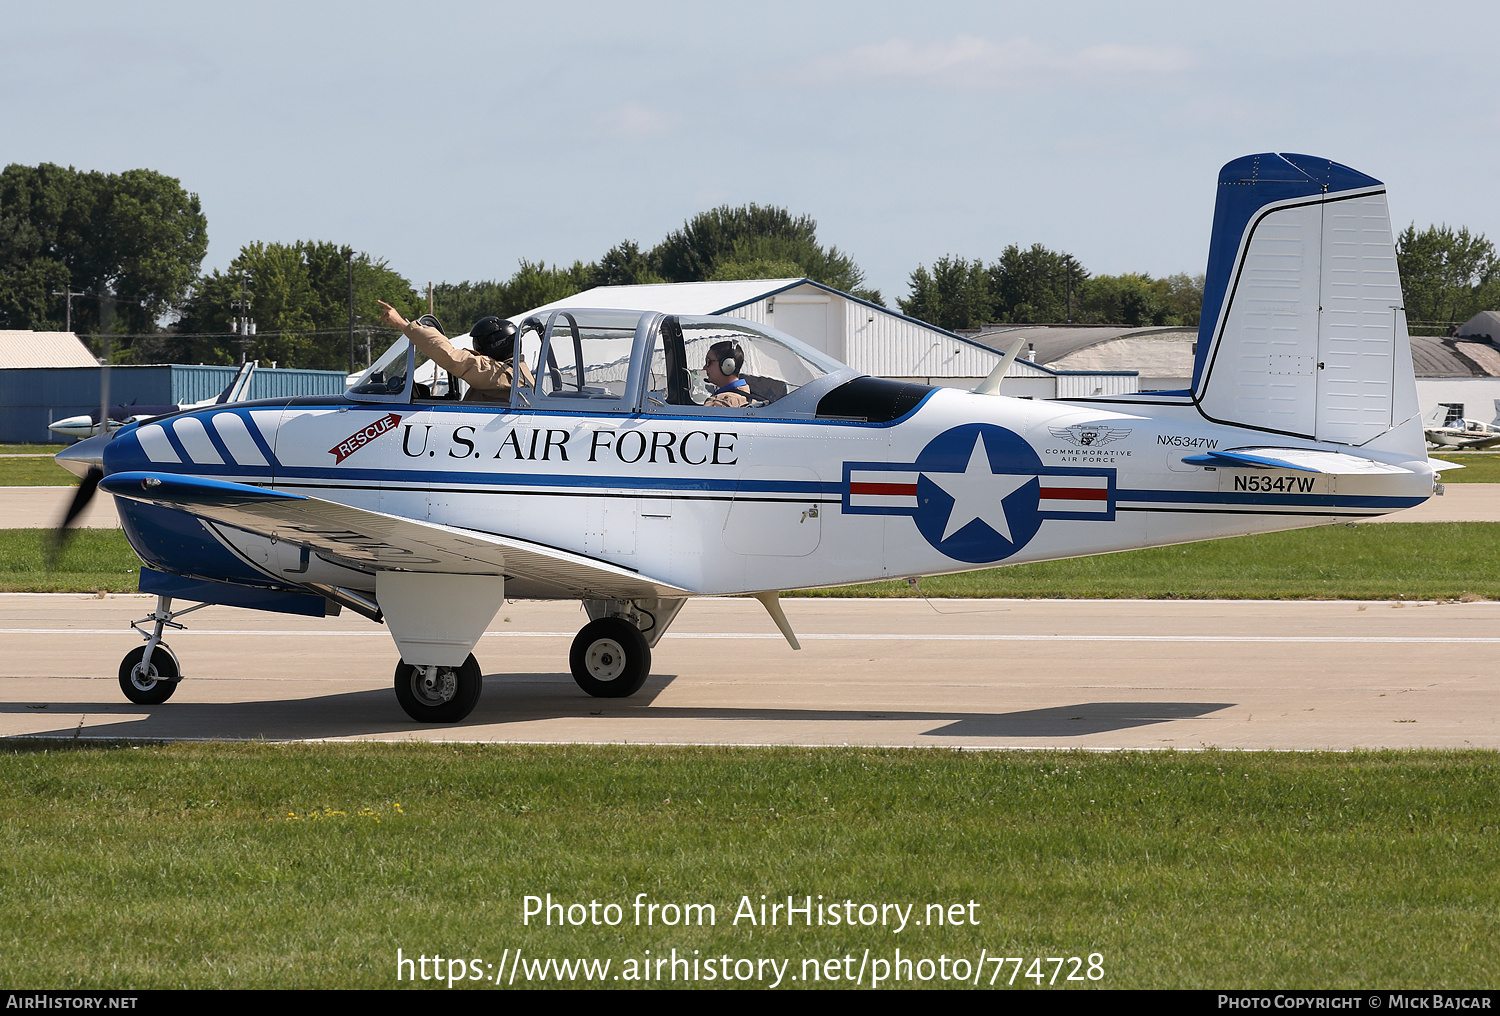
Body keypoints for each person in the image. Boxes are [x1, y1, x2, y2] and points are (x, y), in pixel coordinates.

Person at [376, 300, 533, 403]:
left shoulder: (507, 376)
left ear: (497, 344)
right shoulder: (513, 373)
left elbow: (452, 358)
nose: (477, 350)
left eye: (479, 345)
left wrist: (402, 325)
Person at [702, 339, 753, 408]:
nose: (705, 367)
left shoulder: (722, 402)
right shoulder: (749, 398)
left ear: (727, 365)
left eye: (709, 362)